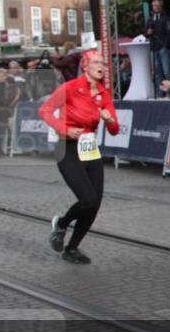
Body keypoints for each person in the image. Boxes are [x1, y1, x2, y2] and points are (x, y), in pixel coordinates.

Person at [39, 51, 120, 264]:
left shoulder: (103, 94)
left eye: (103, 62)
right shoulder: (71, 88)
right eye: (96, 62)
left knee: (94, 204)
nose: (101, 66)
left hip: (90, 149)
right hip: (67, 148)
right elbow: (45, 111)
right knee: (87, 199)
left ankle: (72, 248)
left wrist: (109, 119)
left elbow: (114, 130)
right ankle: (62, 224)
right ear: (85, 66)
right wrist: (64, 128)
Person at [144, 0, 170, 98]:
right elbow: (145, 32)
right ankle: (159, 93)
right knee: (157, 72)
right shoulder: (150, 18)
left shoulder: (166, 18)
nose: (156, 7)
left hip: (163, 47)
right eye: (154, 6)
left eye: (158, 5)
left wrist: (166, 45)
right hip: (154, 48)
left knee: (167, 71)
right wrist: (148, 33)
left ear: (161, 6)